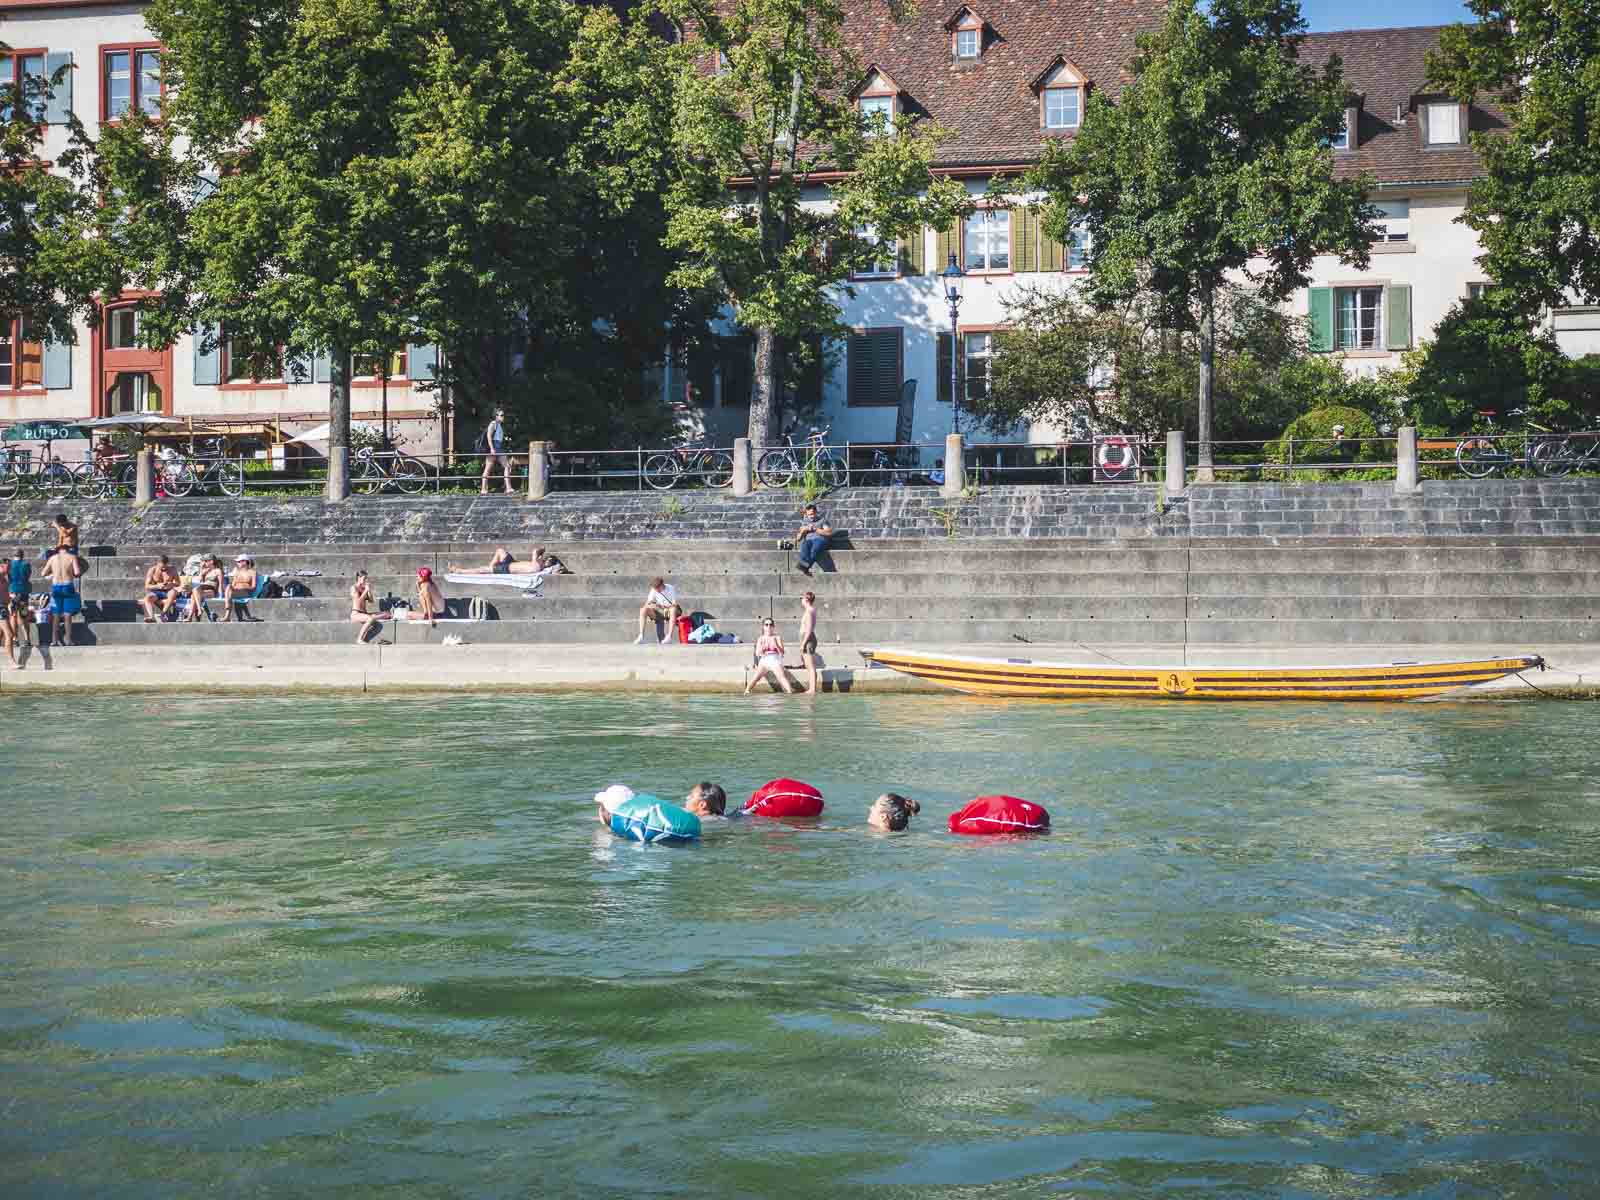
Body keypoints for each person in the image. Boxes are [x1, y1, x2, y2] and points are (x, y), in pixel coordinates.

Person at [41, 545, 82, 647]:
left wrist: (53, 573)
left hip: (56, 587)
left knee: (56, 615)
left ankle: (54, 640)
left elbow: (43, 573)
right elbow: (77, 572)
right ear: (67, 550)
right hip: (68, 586)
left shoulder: (52, 558)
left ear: (58, 550)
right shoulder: (72, 557)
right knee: (67, 614)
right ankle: (68, 639)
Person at [744, 617, 795, 694]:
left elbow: (782, 653)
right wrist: (763, 648)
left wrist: (776, 645)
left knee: (781, 677)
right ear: (763, 627)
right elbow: (757, 653)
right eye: (766, 625)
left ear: (773, 627)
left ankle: (790, 692)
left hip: (775, 660)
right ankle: (746, 691)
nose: (768, 626)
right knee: (756, 677)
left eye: (771, 625)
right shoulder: (760, 639)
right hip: (764, 661)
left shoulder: (777, 637)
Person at [635, 577, 681, 645]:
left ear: (662, 585)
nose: (656, 590)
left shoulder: (670, 588)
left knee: (673, 609)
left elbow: (674, 604)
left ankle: (669, 637)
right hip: (659, 611)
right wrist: (652, 605)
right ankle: (641, 636)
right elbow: (647, 603)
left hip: (670, 610)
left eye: (658, 588)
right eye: (655, 588)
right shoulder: (654, 589)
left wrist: (664, 607)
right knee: (643, 610)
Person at [350, 569, 391, 644]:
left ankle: (366, 637)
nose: (366, 580)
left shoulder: (363, 588)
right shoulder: (354, 588)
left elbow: (371, 601)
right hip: (356, 614)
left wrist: (369, 591)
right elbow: (358, 602)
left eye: (366, 578)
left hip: (364, 613)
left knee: (386, 615)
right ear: (359, 577)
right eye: (364, 578)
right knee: (370, 618)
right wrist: (366, 591)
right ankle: (359, 639)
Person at [479, 407, 513, 495]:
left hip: (499, 448)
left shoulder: (500, 425)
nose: (503, 417)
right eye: (501, 415)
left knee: (507, 466)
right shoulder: (493, 423)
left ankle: (508, 487)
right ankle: (483, 489)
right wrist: (491, 448)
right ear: (496, 416)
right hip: (494, 447)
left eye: (503, 415)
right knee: (488, 467)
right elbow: (489, 436)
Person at [181, 554, 223, 623]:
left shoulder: (218, 571)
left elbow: (220, 584)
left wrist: (220, 594)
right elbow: (199, 581)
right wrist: (201, 571)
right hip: (202, 590)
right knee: (193, 594)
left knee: (194, 591)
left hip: (212, 590)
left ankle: (194, 613)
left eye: (206, 561)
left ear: (211, 561)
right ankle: (192, 615)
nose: (204, 563)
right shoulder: (205, 571)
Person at [792, 504, 832, 575]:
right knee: (804, 545)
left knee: (814, 548)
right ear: (806, 514)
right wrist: (803, 531)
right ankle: (805, 567)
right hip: (808, 541)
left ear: (816, 512)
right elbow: (798, 539)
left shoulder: (822, 520)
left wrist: (815, 529)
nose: (811, 516)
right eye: (809, 515)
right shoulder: (805, 522)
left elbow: (828, 533)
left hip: (820, 539)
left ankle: (804, 566)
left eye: (812, 514)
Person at [140, 555, 180, 622]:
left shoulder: (172, 569)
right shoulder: (152, 570)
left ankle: (162, 614)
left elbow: (178, 583)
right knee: (148, 598)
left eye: (165, 567)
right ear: (157, 563)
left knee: (173, 592)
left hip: (168, 591)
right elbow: (147, 586)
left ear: (167, 564)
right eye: (161, 567)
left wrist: (171, 584)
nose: (163, 569)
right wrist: (158, 586)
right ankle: (151, 617)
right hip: (156, 591)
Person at [220, 554, 259, 623]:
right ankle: (227, 611)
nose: (237, 563)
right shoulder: (237, 572)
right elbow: (233, 584)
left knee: (229, 592)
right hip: (235, 591)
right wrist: (234, 588)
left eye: (239, 562)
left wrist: (244, 586)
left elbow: (253, 587)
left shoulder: (253, 572)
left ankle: (227, 615)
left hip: (245, 592)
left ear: (244, 562)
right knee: (229, 587)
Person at [8, 548, 33, 649]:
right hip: (23, 593)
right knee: (24, 616)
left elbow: (8, 578)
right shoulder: (26, 564)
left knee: (13, 616)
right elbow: (27, 576)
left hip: (12, 592)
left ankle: (15, 639)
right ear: (22, 555)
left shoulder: (9, 565)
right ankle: (27, 639)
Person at [798, 591, 820, 696]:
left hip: (808, 639)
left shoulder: (809, 611)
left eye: (802, 598)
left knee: (810, 666)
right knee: (808, 665)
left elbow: (809, 629)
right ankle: (811, 689)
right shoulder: (810, 610)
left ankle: (812, 689)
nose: (801, 600)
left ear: (806, 600)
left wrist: (803, 644)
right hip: (808, 638)